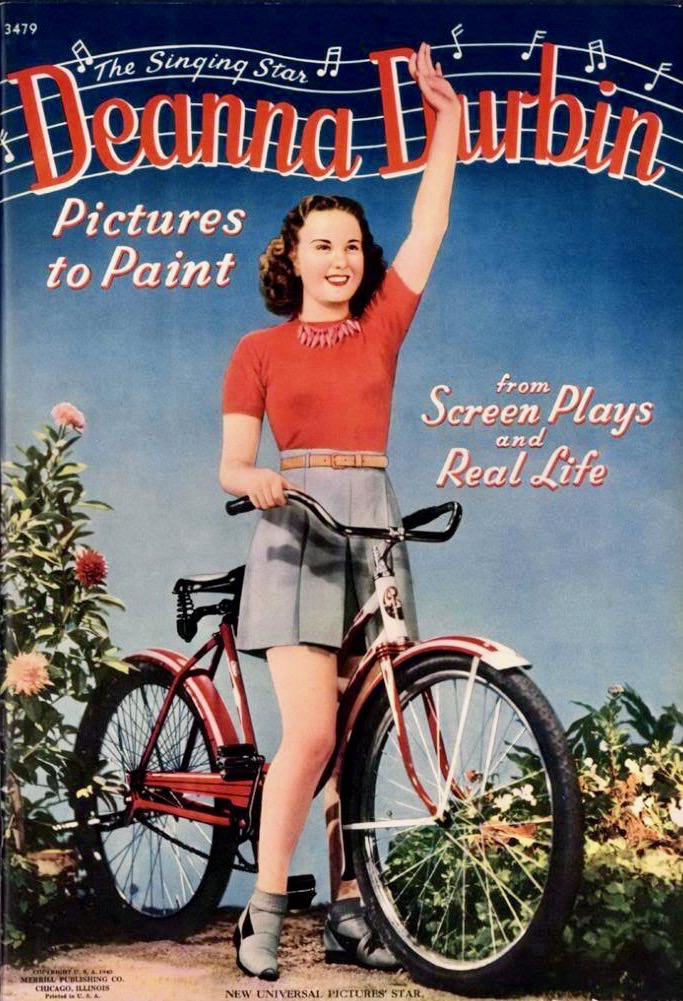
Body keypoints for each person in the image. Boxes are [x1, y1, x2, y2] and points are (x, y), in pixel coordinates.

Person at [220, 42, 460, 981]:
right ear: (293, 255)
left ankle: (353, 908)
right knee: (314, 731)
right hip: (295, 526)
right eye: (321, 243)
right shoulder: (257, 349)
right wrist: (260, 481)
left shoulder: (383, 323)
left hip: (376, 519)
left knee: (366, 728)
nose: (339, 256)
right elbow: (233, 462)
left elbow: (431, 221)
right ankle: (267, 907)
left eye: (351, 245)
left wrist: (445, 120)